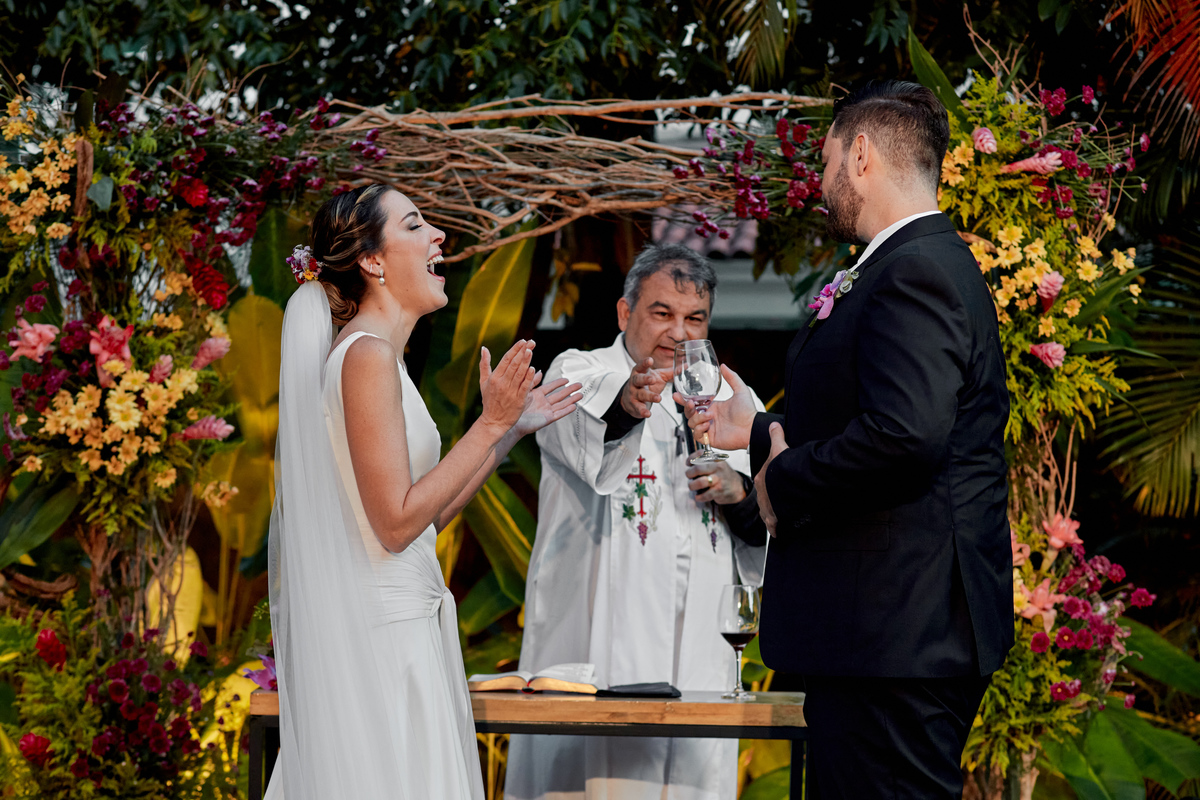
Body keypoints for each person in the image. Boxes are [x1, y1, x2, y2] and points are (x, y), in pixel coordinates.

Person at [684, 81, 1013, 799]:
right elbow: (886, 420)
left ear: (860, 154)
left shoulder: (914, 272)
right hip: (886, 634)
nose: (821, 181)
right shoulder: (911, 265)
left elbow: (904, 439)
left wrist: (776, 484)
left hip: (897, 635)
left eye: (827, 158)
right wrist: (763, 430)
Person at [266, 183, 581, 800]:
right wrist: (489, 422)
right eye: (416, 225)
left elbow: (427, 516)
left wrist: (506, 433)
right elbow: (396, 523)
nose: (438, 236)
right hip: (381, 642)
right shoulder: (365, 357)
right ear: (372, 261)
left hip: (407, 626)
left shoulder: (381, 356)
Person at [505, 244, 768, 800]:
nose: (678, 332)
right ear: (625, 314)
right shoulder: (580, 371)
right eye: (661, 313)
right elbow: (579, 431)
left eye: (694, 318)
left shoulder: (731, 399)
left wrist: (739, 492)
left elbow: (766, 526)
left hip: (701, 643)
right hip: (598, 640)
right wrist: (627, 402)